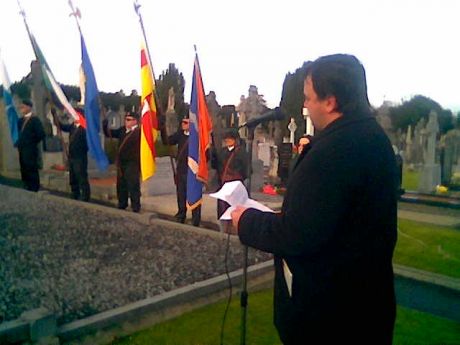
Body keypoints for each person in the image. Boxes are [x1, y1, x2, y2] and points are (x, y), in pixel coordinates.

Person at [231, 54, 398, 344]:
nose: (305, 105)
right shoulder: (369, 136)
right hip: (365, 303)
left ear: (330, 102)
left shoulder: (336, 151)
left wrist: (246, 220)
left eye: (308, 98)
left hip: (331, 316)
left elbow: (298, 234)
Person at [103, 111, 141, 212]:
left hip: (133, 163)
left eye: (128, 120)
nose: (126, 122)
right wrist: (105, 124)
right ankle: (122, 203)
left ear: (135, 121)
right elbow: (109, 133)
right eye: (125, 119)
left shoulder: (139, 133)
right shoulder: (122, 130)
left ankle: (135, 206)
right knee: (121, 184)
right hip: (122, 163)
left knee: (133, 185)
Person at [211, 128, 249, 229]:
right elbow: (216, 167)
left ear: (235, 140)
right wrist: (213, 155)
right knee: (222, 208)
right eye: (226, 139)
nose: (227, 141)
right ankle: (223, 227)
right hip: (223, 184)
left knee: (233, 208)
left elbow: (246, 169)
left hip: (235, 185)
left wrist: (236, 179)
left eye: (230, 139)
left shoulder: (241, 152)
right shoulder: (222, 152)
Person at [168, 117, 201, 226]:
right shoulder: (180, 134)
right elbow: (167, 141)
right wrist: (162, 126)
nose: (183, 124)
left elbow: (206, 155)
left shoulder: (197, 137)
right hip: (181, 170)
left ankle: (195, 219)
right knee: (181, 194)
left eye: (186, 122)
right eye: (182, 122)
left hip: (192, 171)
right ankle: (181, 215)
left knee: (194, 195)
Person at [58, 108, 90, 201]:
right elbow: (63, 127)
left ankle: (85, 196)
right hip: (71, 156)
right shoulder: (73, 126)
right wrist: (56, 118)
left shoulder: (84, 128)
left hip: (80, 156)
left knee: (81, 176)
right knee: (73, 177)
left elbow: (88, 143)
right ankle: (75, 193)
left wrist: (81, 150)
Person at [16, 99, 46, 192]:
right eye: (21, 107)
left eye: (23, 107)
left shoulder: (35, 120)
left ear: (29, 107)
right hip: (22, 149)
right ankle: (26, 185)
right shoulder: (20, 120)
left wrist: (32, 142)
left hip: (31, 149)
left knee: (31, 168)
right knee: (24, 167)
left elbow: (41, 134)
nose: (21, 109)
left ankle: (34, 187)